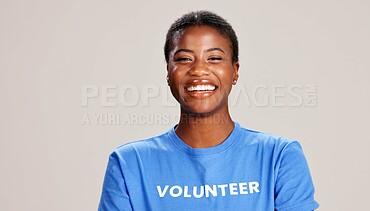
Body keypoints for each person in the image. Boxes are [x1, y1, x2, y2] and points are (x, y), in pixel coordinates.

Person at [98, 10, 319, 211]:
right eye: (184, 59)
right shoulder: (129, 163)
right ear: (168, 72)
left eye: (214, 58)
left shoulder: (279, 156)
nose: (199, 70)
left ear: (235, 71)